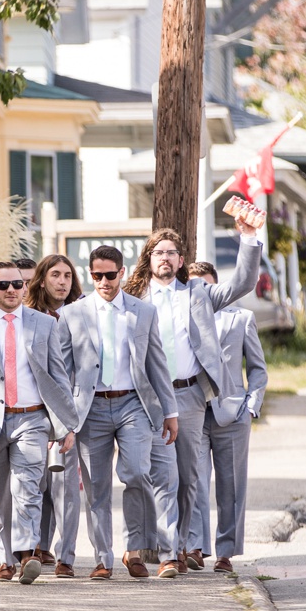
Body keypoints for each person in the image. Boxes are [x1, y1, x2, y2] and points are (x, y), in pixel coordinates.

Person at [122, 213, 262, 577]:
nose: (164, 258)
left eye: (171, 252)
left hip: (188, 397)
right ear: (148, 259)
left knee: (186, 478)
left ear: (181, 261)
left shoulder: (197, 294)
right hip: (144, 398)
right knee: (148, 474)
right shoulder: (133, 298)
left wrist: (248, 237)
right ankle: (158, 547)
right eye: (158, 252)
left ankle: (178, 546)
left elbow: (243, 282)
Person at [0, 262, 77, 583]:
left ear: (25, 287)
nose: (11, 290)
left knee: (28, 487)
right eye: (4, 285)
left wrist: (65, 425)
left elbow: (58, 377)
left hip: (32, 418)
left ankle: (26, 554)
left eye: (18, 284)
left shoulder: (44, 325)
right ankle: (4, 559)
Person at [57, 245, 178, 580]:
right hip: (90, 408)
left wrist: (170, 410)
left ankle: (135, 549)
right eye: (97, 275)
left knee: (138, 473)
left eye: (110, 275)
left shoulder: (143, 312)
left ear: (122, 273)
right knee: (96, 487)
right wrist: (63, 421)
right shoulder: (73, 314)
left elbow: (156, 363)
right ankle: (102, 557)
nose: (104, 281)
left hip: (133, 404)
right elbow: (62, 372)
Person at [184, 261, 268, 574]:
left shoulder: (242, 318)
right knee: (193, 481)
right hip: (193, 410)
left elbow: (258, 368)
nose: (200, 292)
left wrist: (251, 404)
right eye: (194, 286)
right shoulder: (181, 319)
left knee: (231, 487)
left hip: (231, 414)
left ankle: (225, 553)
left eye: (206, 285)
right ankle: (195, 546)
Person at [24, 254, 84, 576]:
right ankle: (36, 546)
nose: (62, 282)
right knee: (36, 482)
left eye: (67, 276)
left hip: (71, 411)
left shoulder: (81, 315)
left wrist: (71, 417)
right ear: (43, 279)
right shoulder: (28, 317)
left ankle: (66, 557)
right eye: (55, 275)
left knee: (65, 486)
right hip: (34, 411)